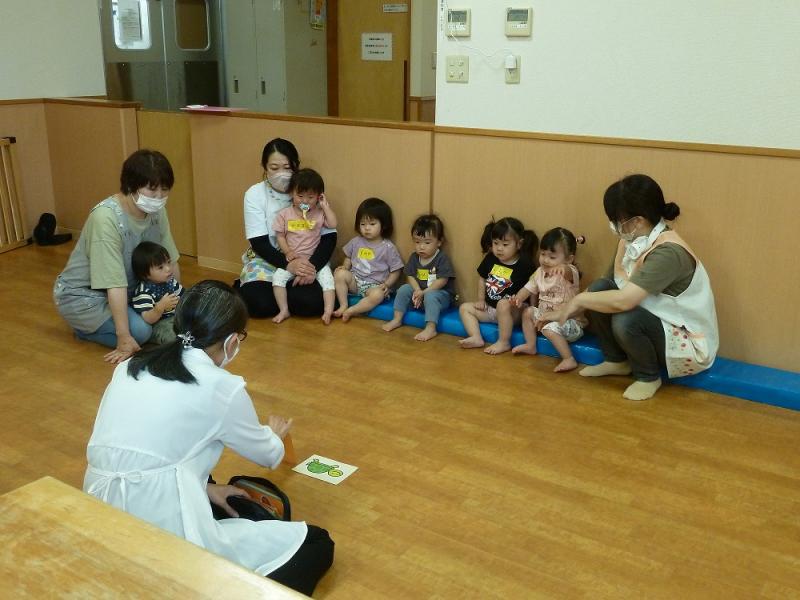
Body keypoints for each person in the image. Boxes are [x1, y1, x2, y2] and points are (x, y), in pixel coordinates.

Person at [83, 280, 334, 595]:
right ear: (231, 341)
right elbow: (269, 455)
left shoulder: (130, 366)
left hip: (97, 506)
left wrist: (205, 488)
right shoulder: (221, 386)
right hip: (155, 521)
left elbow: (146, 452)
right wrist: (275, 433)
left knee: (213, 482)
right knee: (317, 543)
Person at [544, 174, 719, 400]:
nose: (614, 225)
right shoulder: (630, 240)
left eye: (617, 220)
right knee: (600, 288)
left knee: (625, 318)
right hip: (653, 317)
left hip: (685, 337)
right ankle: (616, 360)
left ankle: (648, 376)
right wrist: (564, 310)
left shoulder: (669, 252)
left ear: (637, 221)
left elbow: (625, 301)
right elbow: (605, 285)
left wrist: (578, 301)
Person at [53, 149, 180, 364]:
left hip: (129, 290)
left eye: (164, 189)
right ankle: (85, 330)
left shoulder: (158, 212)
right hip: (85, 296)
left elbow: (170, 260)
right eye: (152, 189)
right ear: (131, 185)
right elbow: (114, 283)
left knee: (169, 318)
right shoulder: (106, 218)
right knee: (141, 332)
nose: (159, 197)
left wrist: (176, 300)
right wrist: (123, 338)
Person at [239, 138, 337, 318]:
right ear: (264, 167)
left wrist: (310, 267)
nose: (281, 174)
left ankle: (290, 296)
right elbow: (258, 242)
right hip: (267, 259)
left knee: (309, 304)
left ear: (296, 166)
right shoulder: (254, 194)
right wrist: (289, 265)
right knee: (259, 304)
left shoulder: (310, 190)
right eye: (274, 168)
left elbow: (329, 237)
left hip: (308, 259)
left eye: (287, 167)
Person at [511, 228, 587, 372]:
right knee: (527, 312)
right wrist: (518, 298)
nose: (545, 260)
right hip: (545, 319)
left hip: (571, 324)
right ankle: (530, 345)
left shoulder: (571, 272)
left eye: (552, 257)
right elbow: (528, 288)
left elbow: (569, 272)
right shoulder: (539, 272)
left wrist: (564, 268)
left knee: (549, 328)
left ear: (569, 259)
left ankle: (568, 359)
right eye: (543, 254)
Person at [458, 217, 537, 355]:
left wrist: (533, 308)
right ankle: (476, 337)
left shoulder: (525, 264)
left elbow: (534, 287)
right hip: (491, 309)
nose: (499, 248)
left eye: (505, 244)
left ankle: (504, 342)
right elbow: (482, 278)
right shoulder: (490, 258)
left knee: (502, 304)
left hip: (513, 312)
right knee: (464, 308)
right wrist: (481, 300)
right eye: (496, 243)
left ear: (519, 244)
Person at [271, 169, 338, 324]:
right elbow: (280, 236)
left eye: (311, 197)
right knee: (277, 279)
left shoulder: (319, 213)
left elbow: (333, 224)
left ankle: (328, 311)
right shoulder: (284, 214)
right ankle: (284, 310)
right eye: (300, 196)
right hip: (293, 260)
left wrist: (325, 206)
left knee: (328, 281)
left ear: (319, 196)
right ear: (291, 193)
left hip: (314, 261)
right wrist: (288, 252)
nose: (305, 201)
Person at [382, 214, 456, 341]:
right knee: (404, 289)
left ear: (439, 242)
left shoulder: (441, 258)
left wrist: (424, 292)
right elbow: (410, 275)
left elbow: (442, 280)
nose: (421, 247)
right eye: (417, 242)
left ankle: (431, 328)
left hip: (438, 295)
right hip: (419, 295)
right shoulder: (414, 257)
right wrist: (417, 290)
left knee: (431, 296)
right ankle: (397, 319)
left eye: (427, 242)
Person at [332, 198, 404, 323]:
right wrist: (345, 266)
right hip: (355, 281)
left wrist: (387, 284)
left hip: (374, 285)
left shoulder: (388, 247)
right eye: (363, 224)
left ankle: (352, 310)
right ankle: (343, 305)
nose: (367, 228)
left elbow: (396, 270)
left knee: (378, 295)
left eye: (372, 224)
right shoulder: (356, 241)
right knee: (339, 274)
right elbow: (348, 257)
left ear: (384, 225)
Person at [130, 241, 184, 344]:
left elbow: (184, 296)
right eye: (160, 267)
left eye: (168, 262)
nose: (168, 268)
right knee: (172, 337)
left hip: (176, 317)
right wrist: (160, 307)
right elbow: (148, 319)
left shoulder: (170, 281)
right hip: (159, 324)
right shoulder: (144, 292)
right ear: (145, 274)